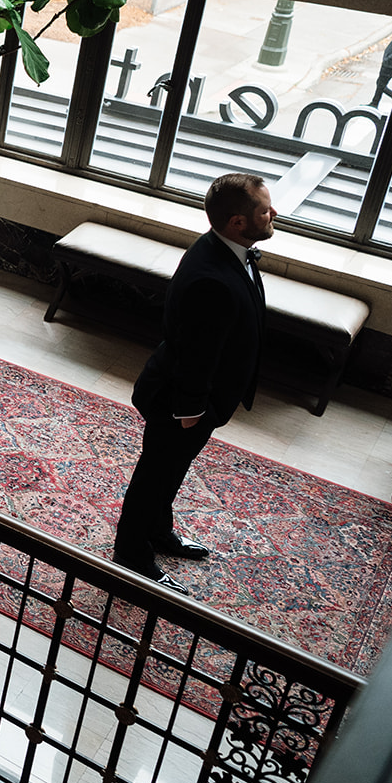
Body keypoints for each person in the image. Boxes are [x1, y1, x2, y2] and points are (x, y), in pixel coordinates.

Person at [112, 174, 276, 595]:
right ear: (238, 222)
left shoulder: (228, 250)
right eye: (264, 210)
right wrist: (191, 411)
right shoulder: (212, 278)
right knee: (154, 475)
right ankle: (131, 555)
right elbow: (196, 353)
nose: (273, 214)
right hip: (180, 402)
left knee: (172, 471)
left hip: (201, 400)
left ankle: (159, 531)